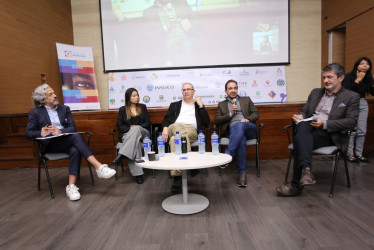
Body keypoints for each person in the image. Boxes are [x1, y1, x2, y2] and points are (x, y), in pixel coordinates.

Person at [276, 63, 360, 197]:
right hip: (309, 130)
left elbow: (351, 122)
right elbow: (305, 110)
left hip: (330, 134)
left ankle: (296, 185)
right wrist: (301, 115)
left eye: (329, 77)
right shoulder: (315, 92)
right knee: (302, 127)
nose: (325, 81)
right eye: (324, 77)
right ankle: (306, 172)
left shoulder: (351, 96)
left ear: (341, 78)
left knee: (299, 140)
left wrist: (325, 123)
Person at [25, 84, 116, 201]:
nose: (55, 96)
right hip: (50, 146)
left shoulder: (64, 109)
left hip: (65, 142)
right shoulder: (35, 112)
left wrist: (60, 131)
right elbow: (28, 133)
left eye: (54, 93)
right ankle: (98, 167)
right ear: (43, 99)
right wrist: (40, 133)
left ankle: (71, 186)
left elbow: (73, 127)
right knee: (76, 138)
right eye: (50, 94)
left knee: (75, 148)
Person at [161, 82, 210, 192]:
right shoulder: (175, 105)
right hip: (174, 128)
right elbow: (167, 119)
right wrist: (165, 127)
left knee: (175, 139)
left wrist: (201, 106)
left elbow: (207, 123)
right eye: (184, 90)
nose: (186, 91)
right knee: (177, 126)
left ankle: (177, 178)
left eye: (188, 89)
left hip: (191, 131)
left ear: (194, 91)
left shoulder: (198, 106)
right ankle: (191, 166)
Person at [214, 79, 259, 188]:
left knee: (240, 125)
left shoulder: (246, 100)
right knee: (241, 139)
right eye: (230, 88)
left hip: (248, 128)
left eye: (235, 88)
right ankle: (242, 174)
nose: (233, 90)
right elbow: (217, 120)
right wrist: (230, 114)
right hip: (232, 131)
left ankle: (228, 153)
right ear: (226, 91)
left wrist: (247, 119)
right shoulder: (222, 104)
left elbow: (256, 114)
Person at [113, 88, 151, 184]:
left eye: (137, 95)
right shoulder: (122, 109)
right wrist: (129, 128)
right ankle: (139, 174)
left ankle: (122, 154)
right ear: (128, 98)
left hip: (143, 133)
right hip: (128, 135)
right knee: (136, 143)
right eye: (134, 96)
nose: (137, 97)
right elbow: (119, 125)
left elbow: (147, 123)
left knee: (137, 128)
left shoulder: (143, 107)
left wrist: (136, 127)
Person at [342, 57, 374, 163]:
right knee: (352, 130)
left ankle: (359, 154)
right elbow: (346, 91)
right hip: (351, 104)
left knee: (362, 130)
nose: (365, 65)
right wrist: (358, 79)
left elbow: (372, 92)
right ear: (357, 65)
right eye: (362, 63)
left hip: (363, 103)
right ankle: (350, 154)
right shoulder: (348, 76)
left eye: (367, 64)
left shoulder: (368, 78)